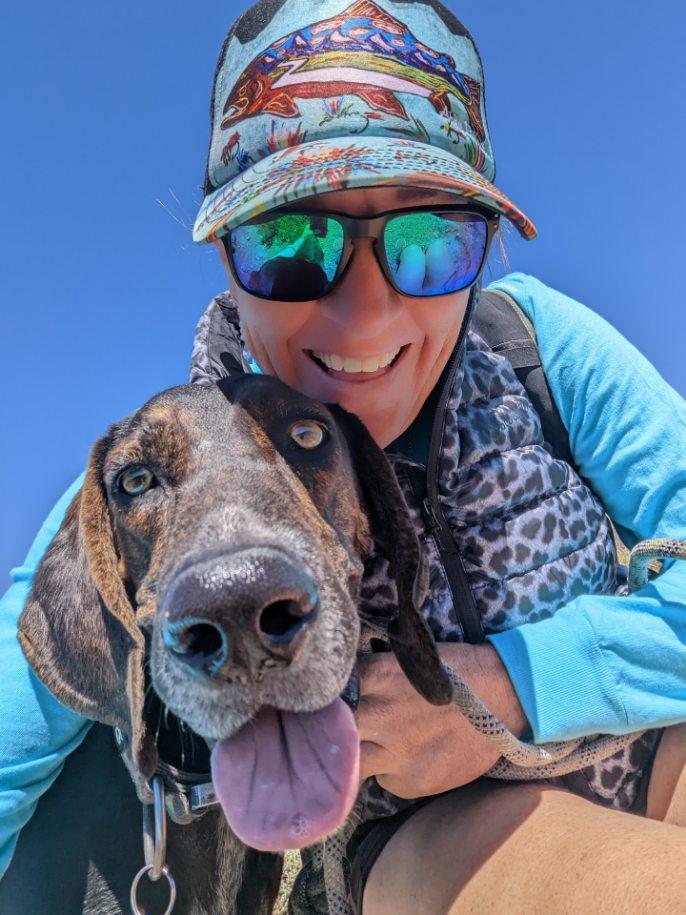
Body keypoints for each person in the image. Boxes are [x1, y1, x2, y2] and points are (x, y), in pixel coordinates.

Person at [2, 0, 686, 912]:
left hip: (657, 736)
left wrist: (515, 687)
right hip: (433, 830)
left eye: (431, 240)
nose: (366, 317)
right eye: (293, 243)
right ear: (228, 262)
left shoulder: (537, 347)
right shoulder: (150, 475)